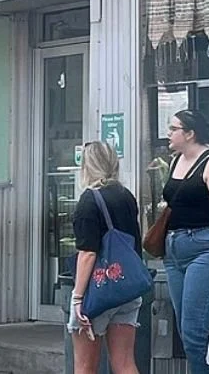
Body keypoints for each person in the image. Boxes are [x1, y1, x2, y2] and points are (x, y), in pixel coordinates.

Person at [162, 109, 209, 374]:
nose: (168, 134)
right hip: (174, 248)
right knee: (186, 331)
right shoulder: (174, 161)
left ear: (190, 133)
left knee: (196, 332)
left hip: (205, 248)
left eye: (173, 129)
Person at [68, 141, 142, 374]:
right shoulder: (126, 196)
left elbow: (88, 252)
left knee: (85, 367)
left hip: (96, 291)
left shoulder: (89, 200)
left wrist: (77, 298)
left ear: (87, 167)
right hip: (127, 287)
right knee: (124, 363)